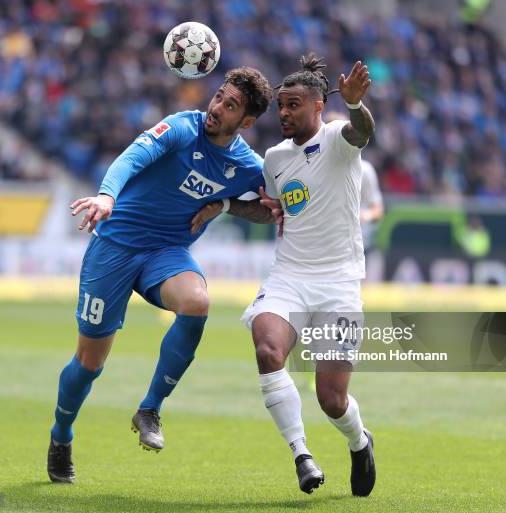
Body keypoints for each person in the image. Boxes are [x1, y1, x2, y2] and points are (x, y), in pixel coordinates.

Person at [47, 67, 279, 484]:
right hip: (115, 247)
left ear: (246, 122)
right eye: (219, 97)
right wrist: (106, 195)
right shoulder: (180, 126)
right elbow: (131, 158)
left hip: (166, 253)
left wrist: (226, 207)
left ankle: (150, 408)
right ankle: (61, 435)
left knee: (197, 302)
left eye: (230, 106)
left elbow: (269, 209)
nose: (217, 108)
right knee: (89, 362)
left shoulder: (249, 166)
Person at [193, 55, 377, 496]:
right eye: (281, 106)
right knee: (268, 348)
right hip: (289, 276)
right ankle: (302, 455)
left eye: (294, 105)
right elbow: (269, 210)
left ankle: (358, 440)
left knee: (331, 400)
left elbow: (363, 130)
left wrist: (355, 105)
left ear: (318, 107)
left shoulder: (338, 139)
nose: (285, 114)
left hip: (339, 284)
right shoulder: (274, 158)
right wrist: (222, 206)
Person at [325, 112, 384, 251]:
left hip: (356, 245)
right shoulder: (312, 167)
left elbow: (377, 209)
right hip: (323, 244)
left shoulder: (365, 170)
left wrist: (364, 216)